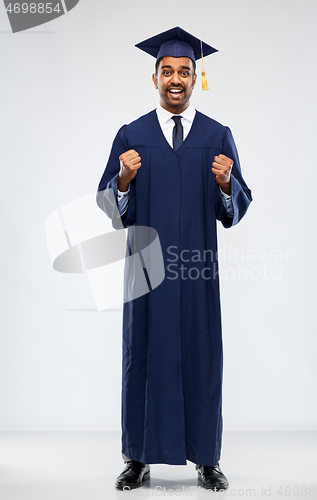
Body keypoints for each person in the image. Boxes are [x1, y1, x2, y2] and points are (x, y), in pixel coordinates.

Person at [96, 26, 252, 491]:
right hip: (145, 273)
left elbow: (237, 208)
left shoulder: (217, 135)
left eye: (185, 71)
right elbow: (107, 204)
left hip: (197, 271)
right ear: (155, 77)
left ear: (196, 76)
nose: (176, 79)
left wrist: (227, 186)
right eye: (168, 71)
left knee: (202, 356)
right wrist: (123, 180)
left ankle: (206, 458)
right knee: (141, 357)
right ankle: (137, 458)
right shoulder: (132, 135)